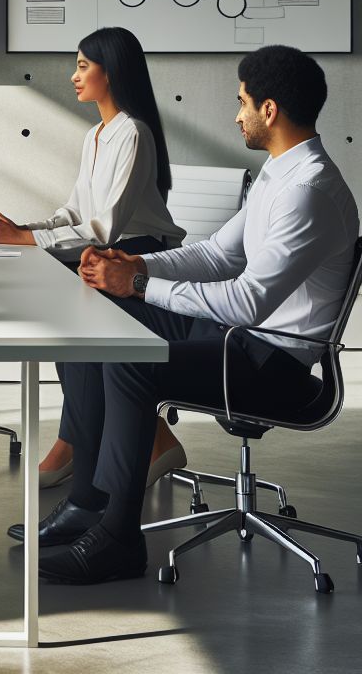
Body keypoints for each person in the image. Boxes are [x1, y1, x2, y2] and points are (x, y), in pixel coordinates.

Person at [20, 45, 358, 585]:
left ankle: (116, 541)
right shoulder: (280, 173)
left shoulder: (308, 191)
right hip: (240, 339)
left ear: (270, 111)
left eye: (243, 102)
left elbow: (247, 301)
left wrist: (142, 283)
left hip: (271, 362)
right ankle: (88, 501)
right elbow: (217, 254)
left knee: (132, 360)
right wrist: (133, 264)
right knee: (94, 308)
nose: (236, 114)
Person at [0, 27, 187, 496]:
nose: (73, 76)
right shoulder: (96, 134)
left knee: (71, 314)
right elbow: (73, 214)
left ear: (109, 73)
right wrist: (27, 231)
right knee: (61, 309)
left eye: (81, 65)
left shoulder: (133, 133)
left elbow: (106, 227)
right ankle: (119, 439)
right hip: (112, 252)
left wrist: (28, 240)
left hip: (142, 257)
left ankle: (78, 442)